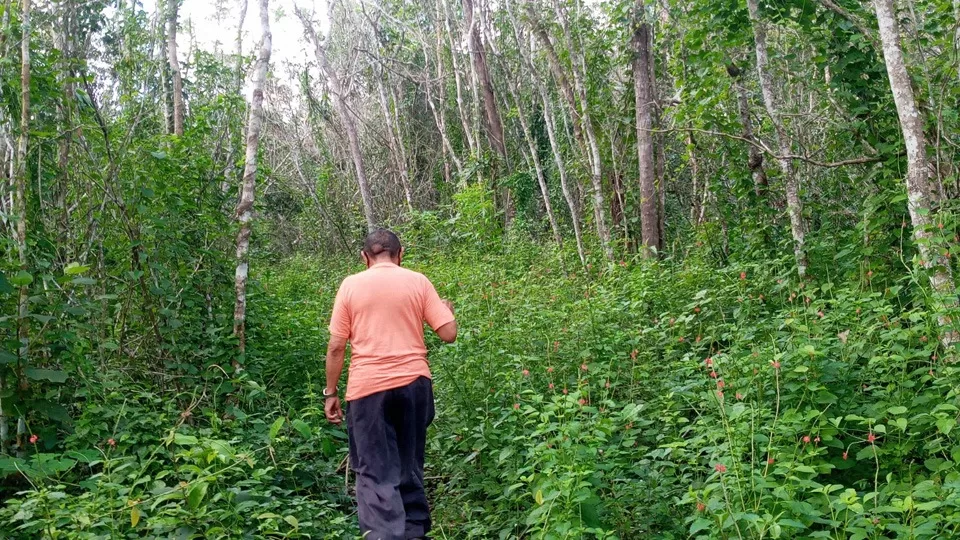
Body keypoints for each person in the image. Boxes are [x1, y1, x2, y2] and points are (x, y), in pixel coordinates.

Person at [323, 229, 457, 540]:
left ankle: (384, 535)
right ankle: (413, 533)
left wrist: (330, 392)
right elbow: (448, 333)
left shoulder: (351, 286)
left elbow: (336, 347)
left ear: (364, 257)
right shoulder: (417, 281)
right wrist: (447, 312)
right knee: (409, 464)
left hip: (368, 390)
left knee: (374, 472)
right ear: (401, 254)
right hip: (414, 385)